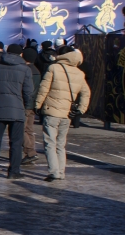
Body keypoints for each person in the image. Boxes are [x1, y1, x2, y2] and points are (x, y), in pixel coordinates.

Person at [35, 46, 90, 182]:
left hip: (52, 110)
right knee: (61, 144)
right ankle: (61, 171)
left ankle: (53, 172)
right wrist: (81, 109)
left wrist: (37, 104)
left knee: (50, 142)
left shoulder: (53, 68)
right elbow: (86, 93)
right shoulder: (79, 73)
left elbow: (44, 88)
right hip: (67, 114)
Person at [0, 44, 34, 179]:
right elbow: (28, 92)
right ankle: (13, 171)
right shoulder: (25, 69)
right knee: (16, 143)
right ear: (20, 54)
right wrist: (26, 106)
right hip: (17, 110)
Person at [21, 48, 42, 166]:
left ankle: (30, 152)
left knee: (21, 130)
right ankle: (30, 152)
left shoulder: (25, 70)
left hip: (24, 103)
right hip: (33, 104)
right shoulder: (37, 71)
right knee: (29, 129)